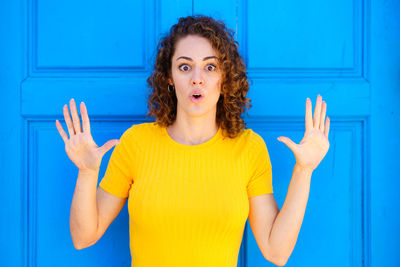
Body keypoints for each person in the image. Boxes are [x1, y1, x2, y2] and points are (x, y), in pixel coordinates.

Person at [55, 15, 330, 267]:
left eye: (210, 67)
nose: (197, 79)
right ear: (170, 78)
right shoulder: (136, 143)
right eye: (185, 67)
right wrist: (87, 172)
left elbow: (276, 251)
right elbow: (83, 237)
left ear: (224, 79)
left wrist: (304, 171)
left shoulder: (248, 148)